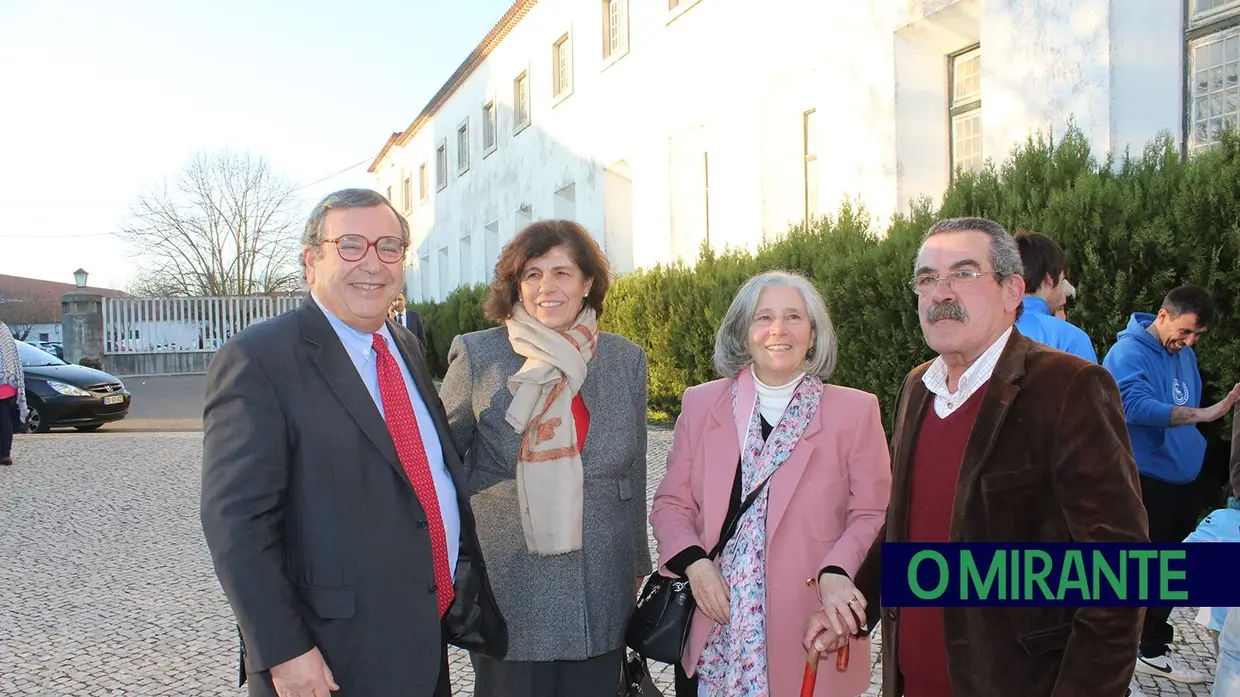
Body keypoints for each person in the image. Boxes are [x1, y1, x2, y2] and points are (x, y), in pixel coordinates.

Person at [811, 217, 1149, 697]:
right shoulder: (917, 387)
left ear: (1012, 291)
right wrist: (856, 608)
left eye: (963, 274)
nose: (940, 292)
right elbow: (907, 525)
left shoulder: (1069, 388)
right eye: (927, 279)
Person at [200, 188, 505, 697]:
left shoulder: (401, 344)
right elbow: (236, 525)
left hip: (419, 642)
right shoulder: (259, 359)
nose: (373, 262)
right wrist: (284, 650)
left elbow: (420, 476)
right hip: (329, 659)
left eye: (388, 246)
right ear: (311, 259)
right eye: (351, 245)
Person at [650, 270, 892, 697]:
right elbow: (672, 504)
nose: (778, 330)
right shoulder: (702, 404)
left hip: (810, 625)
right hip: (713, 632)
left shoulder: (855, 412)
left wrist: (838, 570)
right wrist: (695, 563)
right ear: (744, 334)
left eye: (794, 317)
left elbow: (872, 511)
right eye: (763, 317)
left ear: (813, 335)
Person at [439, 219, 651, 697]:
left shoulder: (623, 360)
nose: (546, 288)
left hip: (601, 574)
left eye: (562, 272)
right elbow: (442, 468)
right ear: (516, 285)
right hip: (512, 579)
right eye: (532, 274)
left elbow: (634, 470)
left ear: (588, 283)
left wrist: (638, 557)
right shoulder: (479, 356)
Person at [1102, 284, 1240, 684]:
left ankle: (1151, 645)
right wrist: (1206, 414)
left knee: (1170, 571)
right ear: (1163, 316)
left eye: (1198, 335)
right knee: (1143, 570)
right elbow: (1133, 405)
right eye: (1187, 331)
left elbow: (1185, 399)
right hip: (1147, 483)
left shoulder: (1185, 354)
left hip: (1182, 481)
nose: (1190, 341)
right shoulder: (1128, 352)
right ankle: (1131, 653)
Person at [1012, 230, 1096, 361]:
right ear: (1049, 279)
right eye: (1062, 280)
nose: (1064, 291)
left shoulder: (982, 330)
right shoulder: (1071, 338)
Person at [0, 320, 28, 466]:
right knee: (4, 417)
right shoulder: (4, 328)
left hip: (3, 380)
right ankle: (5, 454)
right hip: (8, 381)